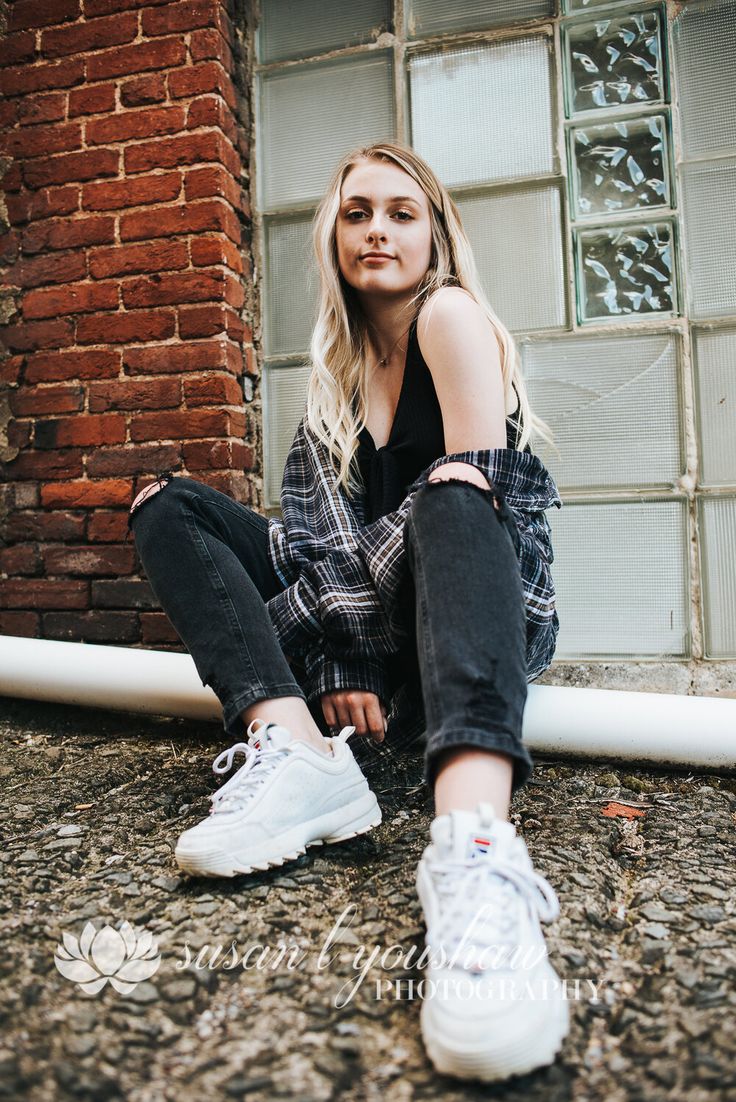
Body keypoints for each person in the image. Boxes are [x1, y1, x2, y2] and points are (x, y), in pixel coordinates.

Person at [127, 140, 567, 1082]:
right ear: (333, 234)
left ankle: (476, 843)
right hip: (360, 622)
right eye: (359, 211)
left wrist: (347, 658)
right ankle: (293, 747)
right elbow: (314, 538)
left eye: (402, 213)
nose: (378, 230)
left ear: (435, 234)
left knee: (449, 487)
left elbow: (484, 502)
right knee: (169, 506)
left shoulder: (449, 317)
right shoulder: (334, 371)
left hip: (468, 609)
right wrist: (333, 673)